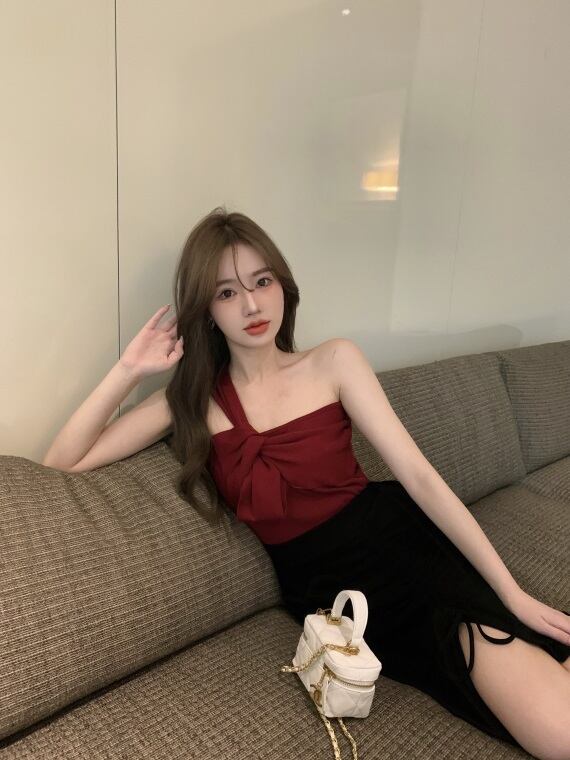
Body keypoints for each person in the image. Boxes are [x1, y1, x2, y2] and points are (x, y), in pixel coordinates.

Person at [43, 206, 570, 759]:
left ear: (283, 287)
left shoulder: (334, 361)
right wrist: (128, 369)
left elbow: (420, 477)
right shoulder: (190, 402)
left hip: (403, 543)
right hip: (332, 595)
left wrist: (511, 592)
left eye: (262, 282)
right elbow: (62, 462)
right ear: (207, 310)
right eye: (227, 292)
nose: (251, 305)